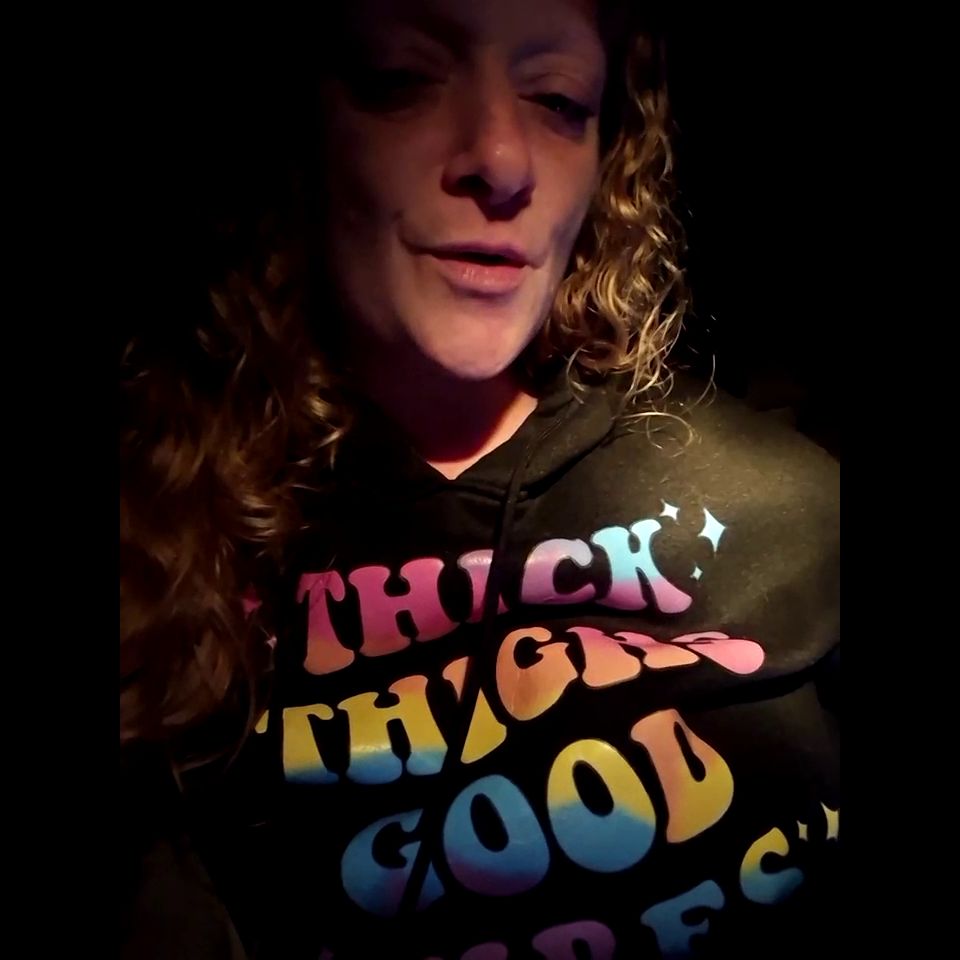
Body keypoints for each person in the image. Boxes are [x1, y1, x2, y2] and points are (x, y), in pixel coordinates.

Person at [121, 2, 840, 958]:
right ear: (290, 134)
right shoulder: (159, 555)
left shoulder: (793, 505)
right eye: (401, 80)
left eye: (559, 100)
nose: (502, 161)